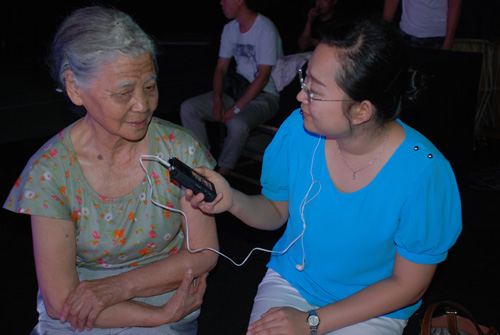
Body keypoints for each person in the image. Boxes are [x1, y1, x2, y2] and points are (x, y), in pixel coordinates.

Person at [186, 17, 462, 335]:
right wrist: (231, 199)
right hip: (295, 283)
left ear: (362, 110)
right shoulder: (298, 130)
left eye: (315, 92)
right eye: (306, 81)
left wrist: (311, 322)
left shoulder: (424, 175)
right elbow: (276, 211)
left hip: (373, 306)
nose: (301, 97)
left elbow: (407, 286)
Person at [3, 6, 219, 335]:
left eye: (149, 87)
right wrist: (154, 317)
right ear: (74, 88)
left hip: (164, 293)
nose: (143, 105)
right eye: (123, 93)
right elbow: (61, 301)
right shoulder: (50, 172)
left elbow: (204, 252)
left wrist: (122, 287)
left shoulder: (180, 150)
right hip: (81, 307)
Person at [180, 0, 283, 176]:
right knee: (189, 108)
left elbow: (263, 76)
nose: (221, 3)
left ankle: (221, 173)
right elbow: (221, 68)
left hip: (266, 95)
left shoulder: (265, 29)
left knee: (237, 123)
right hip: (237, 90)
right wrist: (217, 100)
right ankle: (203, 164)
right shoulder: (229, 29)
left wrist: (235, 109)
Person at [383, 0, 462, 50]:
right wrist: (384, 31)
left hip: (437, 37)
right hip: (406, 34)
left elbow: (455, 3)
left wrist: (448, 43)